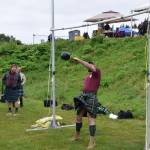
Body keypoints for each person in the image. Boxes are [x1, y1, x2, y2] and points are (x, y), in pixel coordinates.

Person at [71, 57, 101, 149]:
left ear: (94, 66)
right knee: (78, 116)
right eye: (89, 64)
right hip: (83, 96)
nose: (90, 65)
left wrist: (79, 60)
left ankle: (92, 142)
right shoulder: (88, 77)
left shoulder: (97, 72)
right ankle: (77, 135)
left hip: (91, 96)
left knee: (90, 118)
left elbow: (90, 67)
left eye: (91, 64)